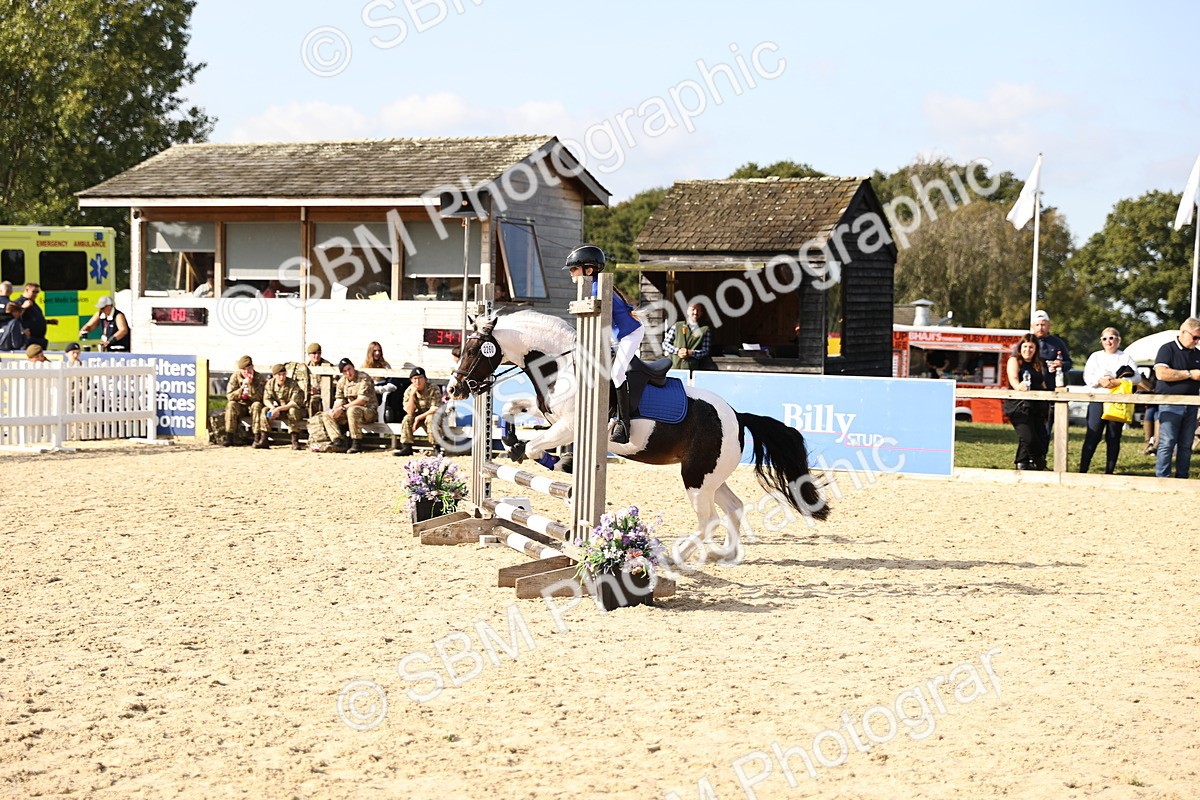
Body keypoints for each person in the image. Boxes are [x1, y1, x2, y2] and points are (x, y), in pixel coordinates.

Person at [562, 244, 642, 444]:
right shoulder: (591, 288)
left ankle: (624, 423)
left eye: (574, 268)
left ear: (588, 270)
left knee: (617, 373)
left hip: (630, 335)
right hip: (616, 337)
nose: (571, 273)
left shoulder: (597, 289)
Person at [1079, 327, 1141, 474]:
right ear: (1101, 341)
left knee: (1113, 436)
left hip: (1116, 401)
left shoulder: (1125, 357)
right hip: (1098, 400)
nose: (1109, 341)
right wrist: (1100, 381)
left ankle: (1109, 472)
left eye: (1112, 338)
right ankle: (1083, 470)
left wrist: (1119, 382)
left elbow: (1137, 377)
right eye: (1105, 338)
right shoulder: (1095, 356)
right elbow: (1087, 377)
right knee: (1092, 435)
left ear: (1118, 340)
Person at [1152, 317, 1200, 479]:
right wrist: (1189, 374)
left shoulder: (1198, 354)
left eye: (1199, 338)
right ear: (1183, 332)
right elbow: (1161, 373)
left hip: (1192, 404)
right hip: (1170, 403)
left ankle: (1182, 477)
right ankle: (1162, 478)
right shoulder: (1167, 349)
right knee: (1167, 442)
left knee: (1186, 445)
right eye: (1195, 337)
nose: (1197, 341)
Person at [312, 358, 378, 453]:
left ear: (353, 367)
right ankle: (338, 441)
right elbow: (339, 399)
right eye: (344, 371)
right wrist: (335, 410)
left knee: (352, 410)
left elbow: (362, 400)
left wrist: (343, 408)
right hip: (348, 411)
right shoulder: (342, 382)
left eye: (349, 369)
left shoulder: (364, 378)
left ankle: (356, 443)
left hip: (368, 411)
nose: (348, 373)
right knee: (327, 414)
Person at [1004, 333, 1050, 470]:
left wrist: (1049, 399)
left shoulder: (1038, 363)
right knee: (1028, 437)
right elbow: (1013, 379)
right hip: (1019, 405)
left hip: (1037, 406)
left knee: (1037, 436)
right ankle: (1040, 464)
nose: (1027, 350)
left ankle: (1022, 464)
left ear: (1035, 349)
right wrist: (1019, 387)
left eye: (1031, 347)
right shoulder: (1014, 360)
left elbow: (1042, 383)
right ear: (1020, 348)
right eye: (1025, 347)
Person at [394, 366, 441, 457]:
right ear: (411, 380)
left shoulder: (433, 388)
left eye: (420, 378)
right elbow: (409, 411)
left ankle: (436, 447)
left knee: (431, 419)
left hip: (433, 415)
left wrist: (418, 418)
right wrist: (412, 395)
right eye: (415, 379)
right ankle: (407, 447)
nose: (417, 381)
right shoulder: (409, 391)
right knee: (407, 419)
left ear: (425, 379)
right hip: (417, 415)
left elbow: (434, 408)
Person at [223, 355, 267, 447]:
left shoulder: (259, 378)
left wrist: (250, 386)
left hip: (252, 405)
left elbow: (260, 397)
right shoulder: (235, 377)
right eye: (244, 370)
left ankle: (257, 437)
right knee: (231, 405)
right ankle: (230, 437)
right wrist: (242, 388)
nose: (246, 372)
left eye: (249, 369)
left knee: (257, 405)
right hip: (241, 405)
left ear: (252, 367)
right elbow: (230, 396)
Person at [261, 363, 306, 450]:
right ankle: (264, 439)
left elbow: (293, 403)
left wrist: (278, 409)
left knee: (293, 411)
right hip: (277, 410)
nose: (282, 377)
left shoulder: (293, 384)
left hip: (289, 409)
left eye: (284, 374)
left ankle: (294, 441)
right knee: (265, 411)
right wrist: (272, 408)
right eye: (279, 375)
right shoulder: (270, 384)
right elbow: (266, 399)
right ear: (274, 375)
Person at [662, 303, 713, 371]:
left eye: (698, 310)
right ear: (687, 311)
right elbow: (665, 344)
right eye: (693, 309)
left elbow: (705, 351)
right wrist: (678, 351)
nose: (695, 312)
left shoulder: (705, 329)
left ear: (701, 313)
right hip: (672, 368)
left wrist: (691, 353)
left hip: (691, 369)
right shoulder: (677, 326)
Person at [18, 283, 56, 349]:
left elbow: (35, 319)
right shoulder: (20, 302)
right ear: (27, 290)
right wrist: (23, 307)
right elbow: (15, 318)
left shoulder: (33, 303)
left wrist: (48, 321)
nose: (35, 294)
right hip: (29, 339)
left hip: (39, 339)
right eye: (33, 292)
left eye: (37, 292)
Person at [305, 342, 333, 414]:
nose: (317, 355)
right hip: (309, 394)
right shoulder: (305, 367)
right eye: (314, 353)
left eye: (319, 353)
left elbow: (335, 382)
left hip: (325, 394)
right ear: (309, 354)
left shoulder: (327, 365)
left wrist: (319, 389)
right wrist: (309, 389)